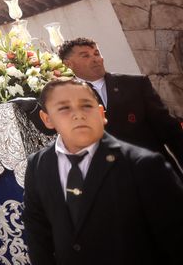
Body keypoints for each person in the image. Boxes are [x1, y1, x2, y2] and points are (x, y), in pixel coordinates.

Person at [22, 79, 183, 264]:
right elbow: (37, 232)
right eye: (64, 108)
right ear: (47, 119)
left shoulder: (142, 164)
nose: (78, 115)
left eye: (86, 106)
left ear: (101, 113)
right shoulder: (38, 165)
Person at [59, 37, 183, 172]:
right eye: (85, 56)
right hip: (114, 183)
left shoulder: (135, 84)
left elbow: (169, 130)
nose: (96, 59)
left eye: (96, 53)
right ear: (68, 64)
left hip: (156, 172)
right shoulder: (65, 98)